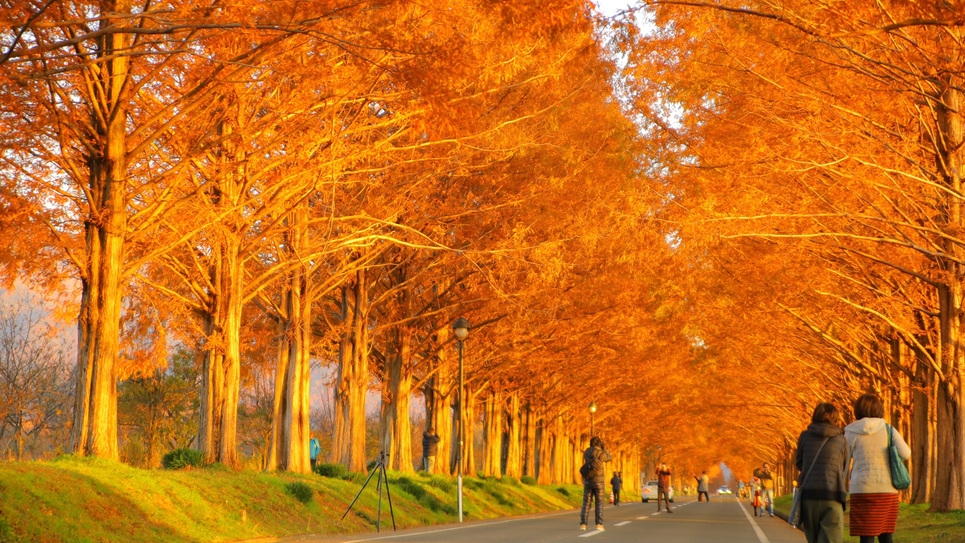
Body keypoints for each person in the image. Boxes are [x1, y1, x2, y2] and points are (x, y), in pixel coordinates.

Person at [845, 394, 911, 543]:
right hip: (886, 489)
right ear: (878, 408)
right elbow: (906, 453)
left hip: (861, 489)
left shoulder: (850, 431)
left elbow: (844, 460)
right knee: (886, 534)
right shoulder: (889, 429)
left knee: (866, 534)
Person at [795, 402, 850, 543]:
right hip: (833, 495)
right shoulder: (841, 440)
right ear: (836, 419)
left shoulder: (805, 436)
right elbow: (844, 467)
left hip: (808, 496)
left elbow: (799, 463)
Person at [579, 435, 612, 531]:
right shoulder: (602, 452)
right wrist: (604, 448)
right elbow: (610, 457)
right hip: (599, 482)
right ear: (599, 443)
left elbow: (586, 460)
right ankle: (599, 524)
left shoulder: (587, 451)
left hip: (589, 480)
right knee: (599, 503)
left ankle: (583, 524)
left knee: (586, 503)